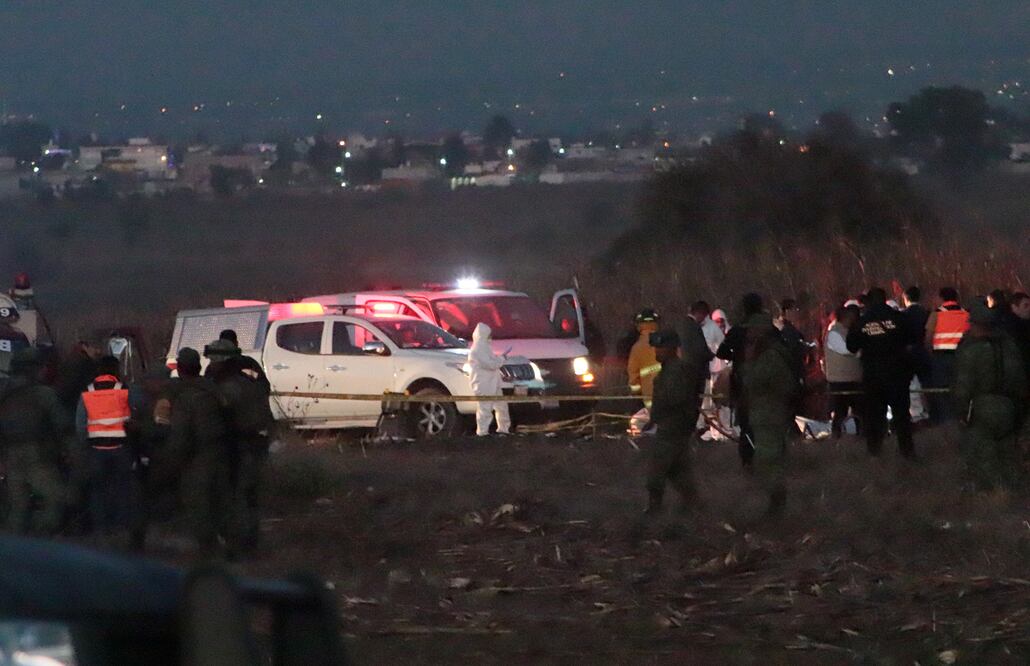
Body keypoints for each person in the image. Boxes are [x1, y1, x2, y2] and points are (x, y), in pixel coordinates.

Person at [204, 339, 275, 556]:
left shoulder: (228, 387)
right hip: (255, 442)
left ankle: (238, 545)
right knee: (249, 495)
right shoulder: (248, 377)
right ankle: (249, 542)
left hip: (239, 445)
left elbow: (219, 418)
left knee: (236, 496)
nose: (212, 364)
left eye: (214, 361)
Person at [952, 302, 1028, 491]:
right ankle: (1014, 490)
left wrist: (961, 412)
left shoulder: (972, 350)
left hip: (982, 407)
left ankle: (990, 491)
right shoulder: (1009, 347)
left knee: (982, 452)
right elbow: (1020, 379)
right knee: (1008, 452)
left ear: (976, 325)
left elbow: (963, 385)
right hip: (1009, 405)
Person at [163, 347, 228, 557]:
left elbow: (180, 433)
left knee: (198, 503)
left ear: (180, 369)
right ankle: (226, 543)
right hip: (220, 451)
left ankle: (208, 549)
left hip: (195, 456)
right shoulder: (213, 389)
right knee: (220, 500)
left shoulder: (183, 395)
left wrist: (173, 461)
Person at [0, 348, 67, 534]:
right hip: (38, 456)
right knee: (56, 500)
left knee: (18, 507)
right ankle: (39, 540)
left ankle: (15, 545)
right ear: (35, 368)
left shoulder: (4, 393)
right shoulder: (44, 394)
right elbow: (63, 427)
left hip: (11, 456)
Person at [75, 355, 141, 540]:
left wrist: (86, 444)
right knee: (122, 489)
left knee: (98, 490)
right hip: (121, 448)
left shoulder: (87, 392)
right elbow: (136, 416)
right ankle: (121, 529)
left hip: (96, 449)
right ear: (116, 370)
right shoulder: (125, 390)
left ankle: (101, 530)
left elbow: (80, 423)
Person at [847, 287, 916, 459]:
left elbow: (851, 346)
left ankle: (875, 453)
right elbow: (913, 339)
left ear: (869, 301)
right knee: (902, 416)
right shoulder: (899, 318)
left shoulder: (862, 322)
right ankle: (907, 452)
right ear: (885, 299)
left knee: (874, 416)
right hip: (897, 373)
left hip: (873, 375)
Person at [739, 314, 797, 515]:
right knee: (768, 459)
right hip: (766, 413)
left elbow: (754, 381)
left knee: (767, 460)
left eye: (752, 330)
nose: (749, 334)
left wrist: (748, 363)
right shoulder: (770, 354)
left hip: (769, 415)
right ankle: (776, 503)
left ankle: (777, 503)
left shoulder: (769, 356)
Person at [643, 329, 702, 515]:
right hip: (674, 427)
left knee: (657, 471)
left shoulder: (676, 371)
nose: (657, 351)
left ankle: (655, 508)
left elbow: (673, 399)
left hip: (672, 428)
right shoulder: (671, 370)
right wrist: (653, 420)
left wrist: (659, 416)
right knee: (678, 470)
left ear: (671, 348)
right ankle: (693, 504)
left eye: (661, 348)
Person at [717, 293, 764, 468]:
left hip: (742, 382)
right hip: (765, 382)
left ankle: (748, 459)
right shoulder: (769, 330)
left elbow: (721, 352)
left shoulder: (737, 331)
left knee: (745, 424)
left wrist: (736, 356)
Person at [924, 287, 969, 423]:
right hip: (962, 358)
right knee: (961, 390)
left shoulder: (936, 314)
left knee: (942, 391)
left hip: (941, 358)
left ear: (941, 298)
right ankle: (962, 419)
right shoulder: (966, 314)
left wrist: (931, 354)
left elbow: (928, 338)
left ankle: (947, 422)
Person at [824, 304, 863, 438]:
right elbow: (847, 350)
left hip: (853, 380)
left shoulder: (849, 332)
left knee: (860, 412)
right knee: (840, 412)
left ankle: (862, 435)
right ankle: (836, 437)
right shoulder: (834, 333)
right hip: (839, 382)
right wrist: (860, 350)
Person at [468, 323, 511, 437]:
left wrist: (500, 359)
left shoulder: (485, 348)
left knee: (501, 407)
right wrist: (502, 358)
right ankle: (482, 433)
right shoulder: (478, 349)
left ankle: (503, 429)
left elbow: (492, 362)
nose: (490, 337)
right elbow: (490, 364)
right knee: (485, 408)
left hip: (492, 382)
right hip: (484, 384)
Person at [902, 286, 931, 424]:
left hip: (909, 353)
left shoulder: (903, 315)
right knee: (927, 383)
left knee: (912, 385)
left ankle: (917, 413)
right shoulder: (927, 313)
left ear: (905, 298)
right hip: (924, 352)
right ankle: (929, 411)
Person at [626, 308, 661, 405]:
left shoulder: (637, 348)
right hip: (671, 394)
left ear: (639, 326)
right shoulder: (667, 342)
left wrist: (636, 392)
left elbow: (633, 375)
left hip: (649, 395)